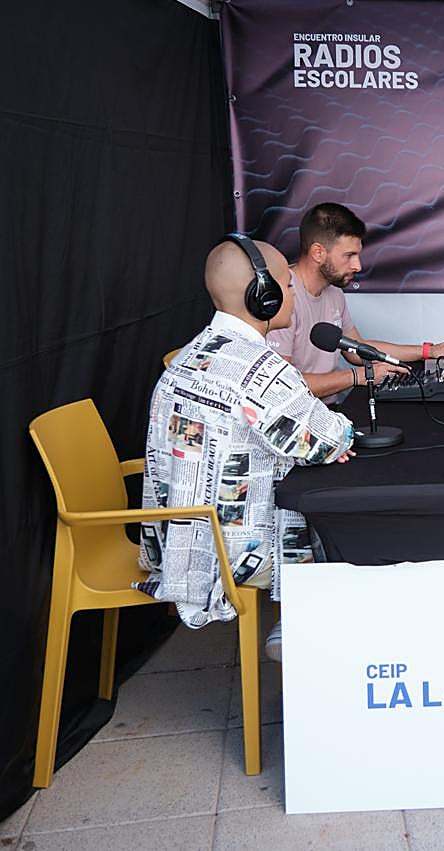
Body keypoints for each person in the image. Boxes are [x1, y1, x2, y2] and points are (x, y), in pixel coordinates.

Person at [138, 236, 356, 661]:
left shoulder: (190, 354)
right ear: (265, 295)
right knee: (349, 533)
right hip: (233, 550)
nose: (292, 294)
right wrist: (337, 436)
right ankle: (312, 636)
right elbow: (329, 440)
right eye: (287, 287)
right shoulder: (259, 368)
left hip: (180, 538)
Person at [266, 202, 444, 402]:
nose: (358, 266)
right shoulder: (283, 297)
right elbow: (283, 385)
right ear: (318, 252)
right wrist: (358, 376)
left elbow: (357, 350)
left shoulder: (334, 291)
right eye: (349, 255)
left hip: (329, 410)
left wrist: (429, 351)